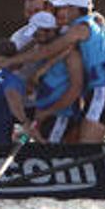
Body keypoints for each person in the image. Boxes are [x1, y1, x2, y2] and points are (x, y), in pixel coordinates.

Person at [0, 0, 105, 143]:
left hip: (103, 88)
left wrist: (9, 61)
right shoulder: (96, 24)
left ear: (76, 10)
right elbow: (61, 48)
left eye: (64, 8)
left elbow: (49, 50)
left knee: (87, 147)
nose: (59, 12)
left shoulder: (79, 28)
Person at [26, 12, 83, 144]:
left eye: (37, 34)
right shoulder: (41, 51)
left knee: (50, 150)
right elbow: (34, 85)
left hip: (62, 115)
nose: (34, 38)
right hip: (42, 114)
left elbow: (75, 90)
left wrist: (47, 112)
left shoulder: (71, 55)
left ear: (48, 31)